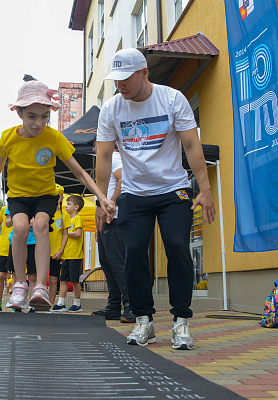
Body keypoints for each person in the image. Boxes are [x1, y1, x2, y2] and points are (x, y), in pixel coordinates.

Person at [96, 48, 216, 350]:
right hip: (134, 194)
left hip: (173, 190)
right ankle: (143, 320)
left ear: (144, 73)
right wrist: (102, 199)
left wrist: (205, 189)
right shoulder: (112, 109)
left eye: (125, 79)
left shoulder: (172, 99)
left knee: (177, 246)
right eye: (116, 80)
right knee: (134, 251)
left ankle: (181, 322)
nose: (119, 86)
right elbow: (104, 155)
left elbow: (191, 144)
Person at [0, 81, 115, 312]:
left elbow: (81, 173)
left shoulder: (53, 138)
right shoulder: (8, 138)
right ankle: (21, 283)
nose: (39, 123)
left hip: (45, 194)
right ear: (19, 112)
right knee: (21, 227)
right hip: (19, 196)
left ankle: (40, 286)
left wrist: (101, 197)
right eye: (32, 116)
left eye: (45, 117)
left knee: (42, 224)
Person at [93, 147, 134, 322]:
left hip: (114, 220)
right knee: (107, 264)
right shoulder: (103, 164)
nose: (95, 148)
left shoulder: (114, 157)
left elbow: (123, 179)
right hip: (104, 224)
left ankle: (131, 307)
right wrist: (97, 229)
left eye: (97, 143)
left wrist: (112, 204)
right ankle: (114, 306)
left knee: (117, 264)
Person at [53, 195, 84, 313]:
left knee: (75, 280)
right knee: (63, 279)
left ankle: (77, 304)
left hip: (75, 255)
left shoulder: (77, 218)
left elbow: (78, 234)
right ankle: (61, 303)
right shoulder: (65, 219)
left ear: (76, 207)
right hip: (65, 255)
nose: (66, 206)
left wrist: (65, 233)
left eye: (69, 204)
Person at [48, 185, 70, 305]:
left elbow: (65, 234)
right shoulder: (45, 213)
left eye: (58, 196)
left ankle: (50, 306)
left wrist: (61, 250)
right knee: (37, 279)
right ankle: (36, 304)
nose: (56, 198)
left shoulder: (64, 215)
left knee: (53, 279)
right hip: (43, 251)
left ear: (62, 198)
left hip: (56, 252)